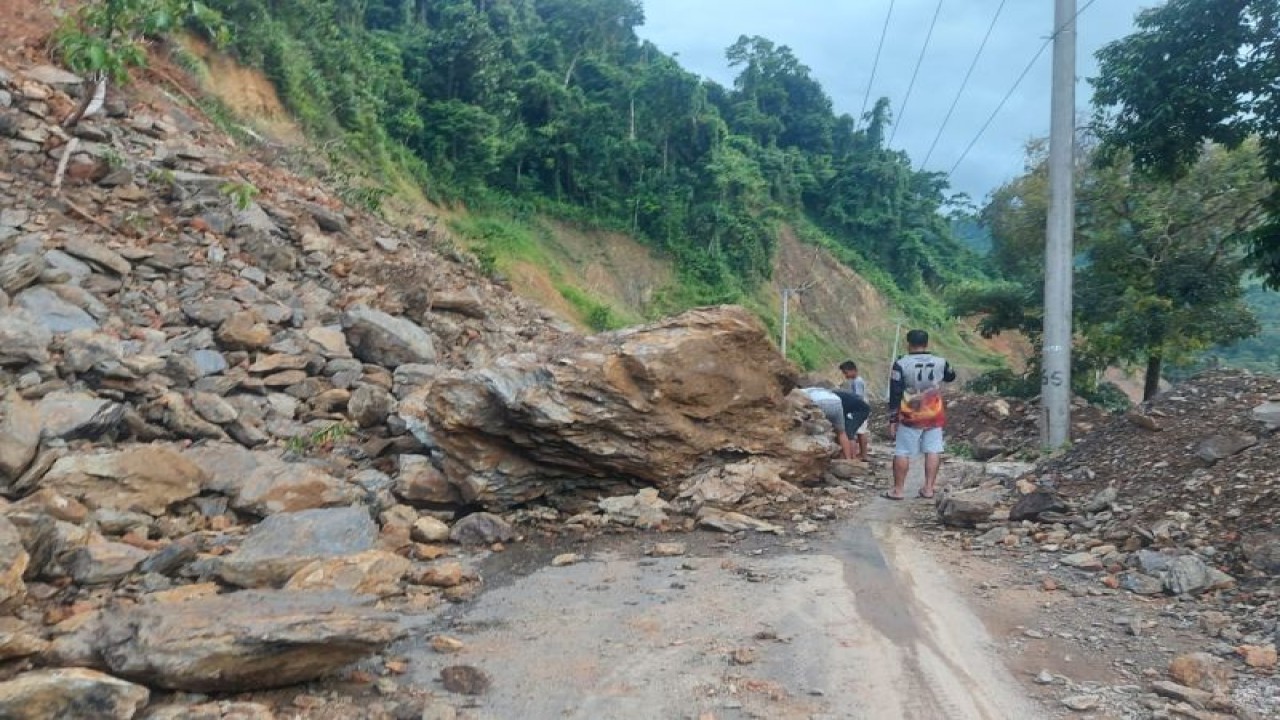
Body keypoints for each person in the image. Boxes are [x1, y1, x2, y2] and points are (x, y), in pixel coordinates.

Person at [884, 329, 955, 500]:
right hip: (934, 414)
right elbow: (951, 376)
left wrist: (893, 418)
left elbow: (895, 392)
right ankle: (929, 488)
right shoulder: (941, 361)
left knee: (902, 451)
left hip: (911, 414)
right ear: (927, 343)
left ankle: (898, 490)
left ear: (908, 343)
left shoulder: (901, 363)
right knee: (933, 450)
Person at [801, 386, 869, 461]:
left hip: (858, 409)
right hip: (838, 404)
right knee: (842, 432)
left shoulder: (799, 393)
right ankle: (848, 458)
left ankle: (853, 458)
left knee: (849, 432)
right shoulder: (821, 390)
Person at [839, 360, 870, 460]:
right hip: (861, 408)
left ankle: (860, 455)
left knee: (858, 432)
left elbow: (858, 397)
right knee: (860, 432)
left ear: (853, 370)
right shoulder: (856, 381)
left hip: (860, 409)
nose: (845, 375)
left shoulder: (858, 382)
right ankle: (861, 454)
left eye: (846, 372)